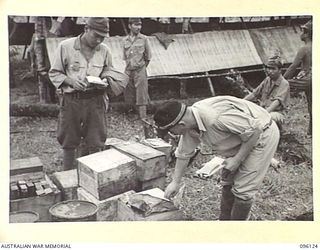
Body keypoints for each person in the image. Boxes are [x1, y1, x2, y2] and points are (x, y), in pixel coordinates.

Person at [153, 96, 280, 220]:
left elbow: (254, 130)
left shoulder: (215, 117)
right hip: (240, 136)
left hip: (262, 134)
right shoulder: (190, 121)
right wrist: (175, 182)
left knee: (243, 189)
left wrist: (237, 159)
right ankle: (224, 223)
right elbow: (184, 153)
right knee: (228, 180)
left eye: (171, 131)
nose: (171, 134)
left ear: (181, 124)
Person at [49, 17, 113, 171]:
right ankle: (67, 177)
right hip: (72, 100)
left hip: (95, 101)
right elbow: (54, 73)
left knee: (96, 141)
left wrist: (105, 80)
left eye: (102, 37)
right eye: (96, 35)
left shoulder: (105, 50)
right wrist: (71, 82)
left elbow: (109, 71)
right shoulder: (66, 46)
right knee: (69, 140)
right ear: (86, 29)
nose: (98, 40)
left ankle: (94, 177)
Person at [244, 55, 290, 129]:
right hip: (263, 109)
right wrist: (240, 102)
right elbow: (254, 94)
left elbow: (276, 102)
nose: (270, 71)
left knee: (270, 117)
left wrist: (263, 113)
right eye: (268, 68)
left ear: (279, 70)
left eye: (273, 69)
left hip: (277, 112)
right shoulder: (267, 80)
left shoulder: (284, 83)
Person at [283, 20, 312, 135]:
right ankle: (311, 133)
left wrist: (282, 80)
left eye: (302, 31)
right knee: (312, 105)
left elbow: (293, 66)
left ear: (307, 34)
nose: (300, 34)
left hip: (308, 79)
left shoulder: (304, 48)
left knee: (283, 86)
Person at [123, 18, 152, 119]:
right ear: (130, 26)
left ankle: (143, 117)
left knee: (142, 93)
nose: (139, 27)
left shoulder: (144, 39)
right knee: (128, 92)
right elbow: (125, 57)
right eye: (136, 25)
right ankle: (131, 114)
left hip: (140, 69)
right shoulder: (125, 40)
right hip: (128, 70)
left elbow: (148, 57)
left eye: (140, 25)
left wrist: (141, 68)